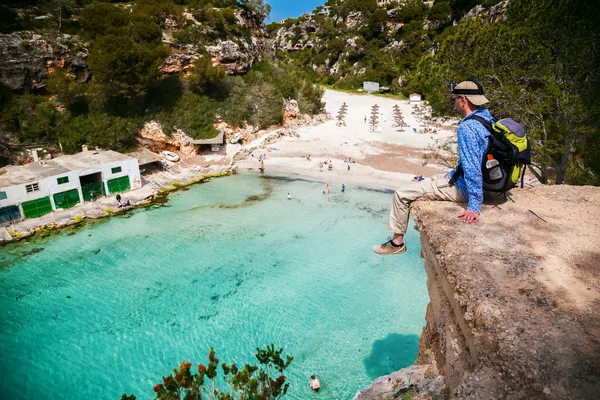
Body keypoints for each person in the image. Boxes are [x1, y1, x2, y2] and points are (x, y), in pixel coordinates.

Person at [373, 79, 492, 255]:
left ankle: (396, 243)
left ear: (463, 100)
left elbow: (472, 167)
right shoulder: (488, 117)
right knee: (435, 178)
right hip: (492, 182)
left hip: (468, 188)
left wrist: (474, 205)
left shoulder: (467, 128)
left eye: (454, 99)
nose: (454, 103)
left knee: (401, 194)